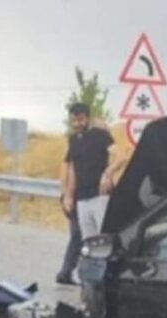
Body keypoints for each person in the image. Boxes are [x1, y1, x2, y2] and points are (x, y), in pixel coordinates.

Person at [58, 103, 127, 284]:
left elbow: (121, 157)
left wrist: (108, 173)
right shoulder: (73, 140)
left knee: (104, 239)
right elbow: (72, 170)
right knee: (89, 243)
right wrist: (68, 195)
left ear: (87, 117)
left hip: (100, 197)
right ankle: (92, 282)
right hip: (82, 199)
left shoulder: (101, 135)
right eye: (74, 120)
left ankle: (109, 279)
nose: (77, 124)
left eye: (80, 119)